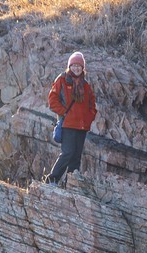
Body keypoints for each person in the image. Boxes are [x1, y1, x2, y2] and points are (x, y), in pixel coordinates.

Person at [46, 51, 97, 185]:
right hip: (67, 125)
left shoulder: (86, 85)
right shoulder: (62, 79)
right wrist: (64, 113)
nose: (76, 68)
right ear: (69, 66)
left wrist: (88, 118)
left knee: (76, 158)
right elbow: (52, 100)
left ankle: (71, 185)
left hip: (81, 127)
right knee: (67, 153)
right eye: (73, 65)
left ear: (82, 68)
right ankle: (52, 180)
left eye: (79, 66)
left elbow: (92, 105)